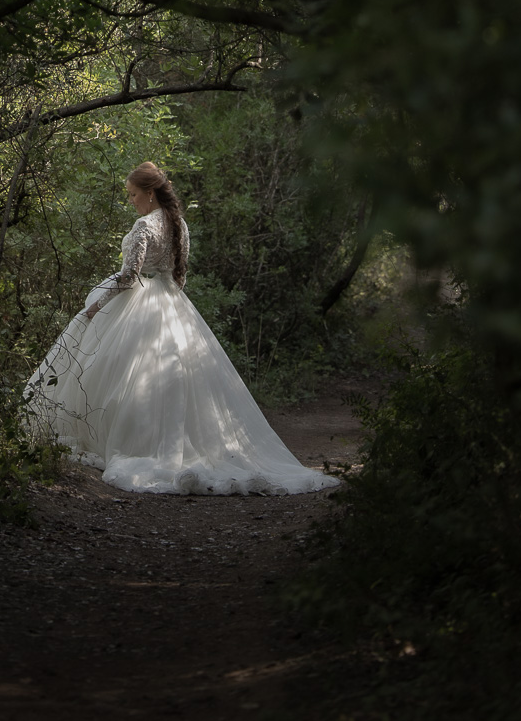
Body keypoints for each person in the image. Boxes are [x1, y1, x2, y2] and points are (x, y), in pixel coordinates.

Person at [23, 161, 339, 496]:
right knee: (177, 378)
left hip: (137, 300)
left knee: (117, 370)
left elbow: (129, 276)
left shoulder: (144, 226)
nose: (130, 200)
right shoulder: (180, 225)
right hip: (172, 305)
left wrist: (96, 306)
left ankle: (134, 445)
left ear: (149, 193)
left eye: (132, 194)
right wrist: (169, 302)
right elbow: (180, 277)